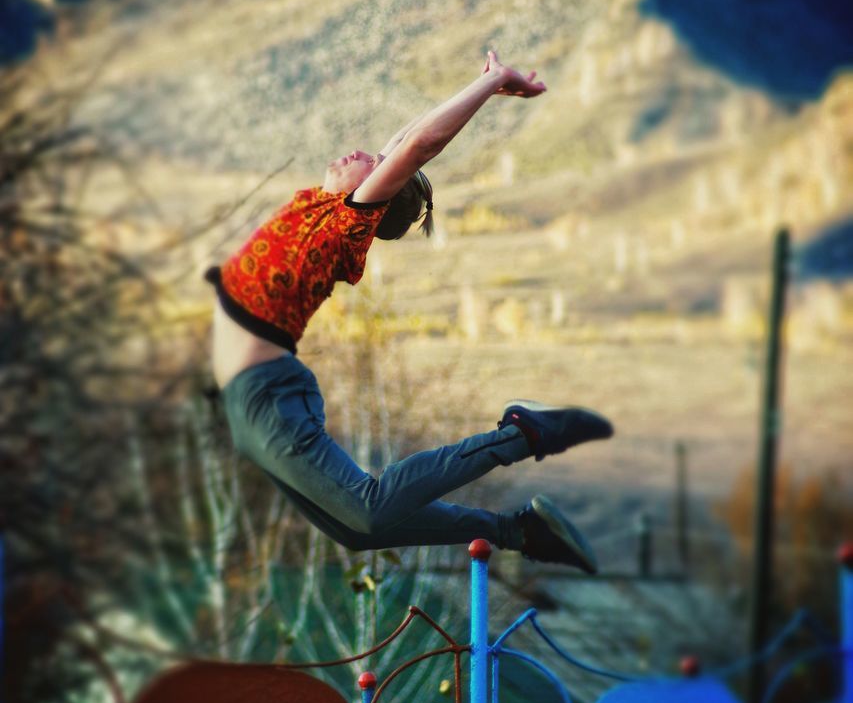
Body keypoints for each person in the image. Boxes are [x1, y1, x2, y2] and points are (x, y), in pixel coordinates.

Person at [205, 49, 613, 570]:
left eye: (374, 164)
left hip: (266, 395)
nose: (366, 152)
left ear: (372, 196)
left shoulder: (345, 227)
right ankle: (521, 532)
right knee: (357, 531)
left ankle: (524, 434)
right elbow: (405, 138)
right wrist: (481, 77)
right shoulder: (319, 204)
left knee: (370, 509)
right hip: (247, 405)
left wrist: (491, 88)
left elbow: (420, 145)